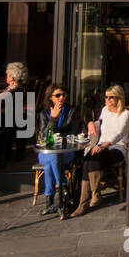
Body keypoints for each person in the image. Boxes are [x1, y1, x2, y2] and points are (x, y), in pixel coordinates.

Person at [74, 85, 129, 216]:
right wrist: (90, 123)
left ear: (119, 98)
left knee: (95, 155)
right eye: (106, 97)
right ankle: (85, 200)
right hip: (102, 145)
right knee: (87, 159)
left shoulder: (125, 114)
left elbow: (118, 134)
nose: (108, 100)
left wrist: (103, 146)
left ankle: (92, 197)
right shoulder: (105, 110)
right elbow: (99, 122)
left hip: (118, 148)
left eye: (111, 97)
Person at [36, 84, 79, 215]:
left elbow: (74, 132)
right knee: (51, 159)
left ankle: (49, 200)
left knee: (50, 163)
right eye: (58, 95)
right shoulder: (44, 113)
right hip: (47, 152)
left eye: (64, 95)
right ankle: (63, 189)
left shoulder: (71, 111)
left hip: (66, 152)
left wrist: (58, 136)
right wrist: (53, 119)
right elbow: (44, 136)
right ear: (50, 98)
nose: (61, 98)